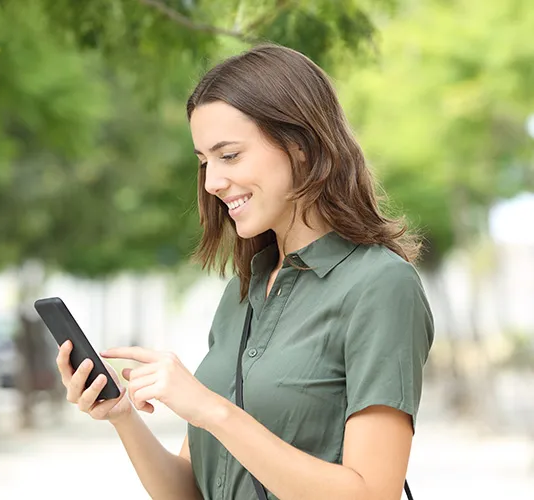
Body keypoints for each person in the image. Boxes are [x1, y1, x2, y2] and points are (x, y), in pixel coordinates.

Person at [55, 43, 434, 500]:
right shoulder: (243, 291)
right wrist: (122, 415)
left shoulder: (379, 285)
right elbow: (191, 493)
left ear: (300, 146)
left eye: (229, 155)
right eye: (203, 162)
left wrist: (211, 410)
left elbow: (373, 493)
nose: (212, 182)